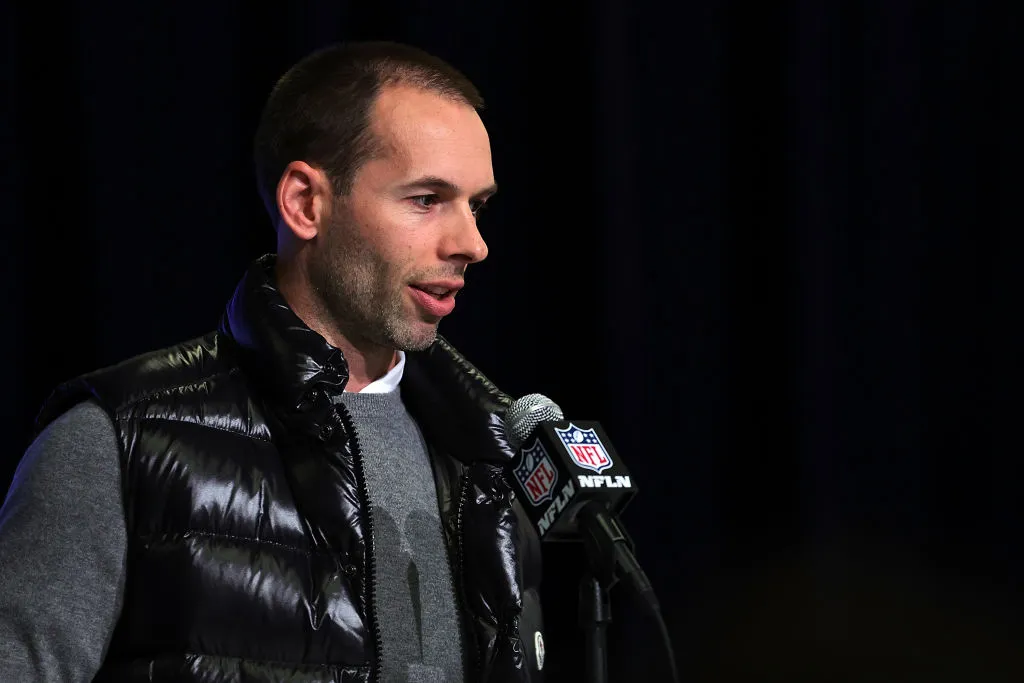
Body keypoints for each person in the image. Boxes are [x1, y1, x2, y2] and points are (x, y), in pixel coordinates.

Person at [0, 41, 545, 682]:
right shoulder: (117, 442)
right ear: (305, 203)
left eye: (476, 205)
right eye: (426, 199)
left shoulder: (490, 455)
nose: (472, 244)